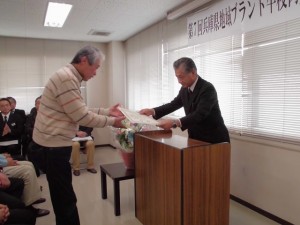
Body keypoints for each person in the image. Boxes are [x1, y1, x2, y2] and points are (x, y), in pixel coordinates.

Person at [30, 46, 125, 225]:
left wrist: (107, 111)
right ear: (83, 60)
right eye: (95, 67)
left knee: (63, 197)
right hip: (52, 147)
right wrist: (113, 121)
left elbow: (77, 109)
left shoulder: (69, 76)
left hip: (51, 144)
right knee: (65, 200)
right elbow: (82, 116)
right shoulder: (67, 78)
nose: (96, 72)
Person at [140, 57, 230, 144]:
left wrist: (174, 123)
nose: (179, 81)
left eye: (181, 77)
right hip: (195, 138)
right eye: (177, 77)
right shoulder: (184, 89)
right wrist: (152, 111)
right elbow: (173, 104)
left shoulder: (207, 88)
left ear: (193, 72)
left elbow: (199, 114)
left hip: (215, 140)